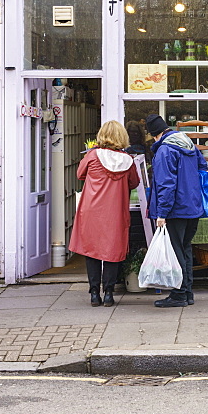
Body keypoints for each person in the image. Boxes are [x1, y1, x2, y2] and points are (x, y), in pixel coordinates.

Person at [69, 121, 140, 307]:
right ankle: (109, 293)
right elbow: (134, 183)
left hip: (92, 211)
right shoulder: (128, 160)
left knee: (91, 251)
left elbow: (80, 175)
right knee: (112, 251)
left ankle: (94, 293)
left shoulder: (92, 156)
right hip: (115, 212)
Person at [147, 113, 207, 308]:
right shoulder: (188, 143)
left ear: (155, 134)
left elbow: (165, 184)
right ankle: (187, 292)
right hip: (192, 206)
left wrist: (162, 213)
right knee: (185, 249)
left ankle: (179, 294)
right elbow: (202, 167)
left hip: (175, 209)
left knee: (175, 251)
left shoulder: (165, 150)